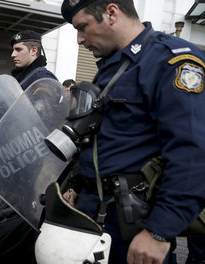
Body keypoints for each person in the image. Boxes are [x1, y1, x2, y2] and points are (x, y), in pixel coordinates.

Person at [60, 0, 205, 263]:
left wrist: (159, 231)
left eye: (82, 27)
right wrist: (76, 186)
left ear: (112, 13)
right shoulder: (111, 66)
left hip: (133, 223)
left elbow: (193, 154)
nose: (79, 39)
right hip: (93, 214)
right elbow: (104, 142)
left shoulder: (171, 60)